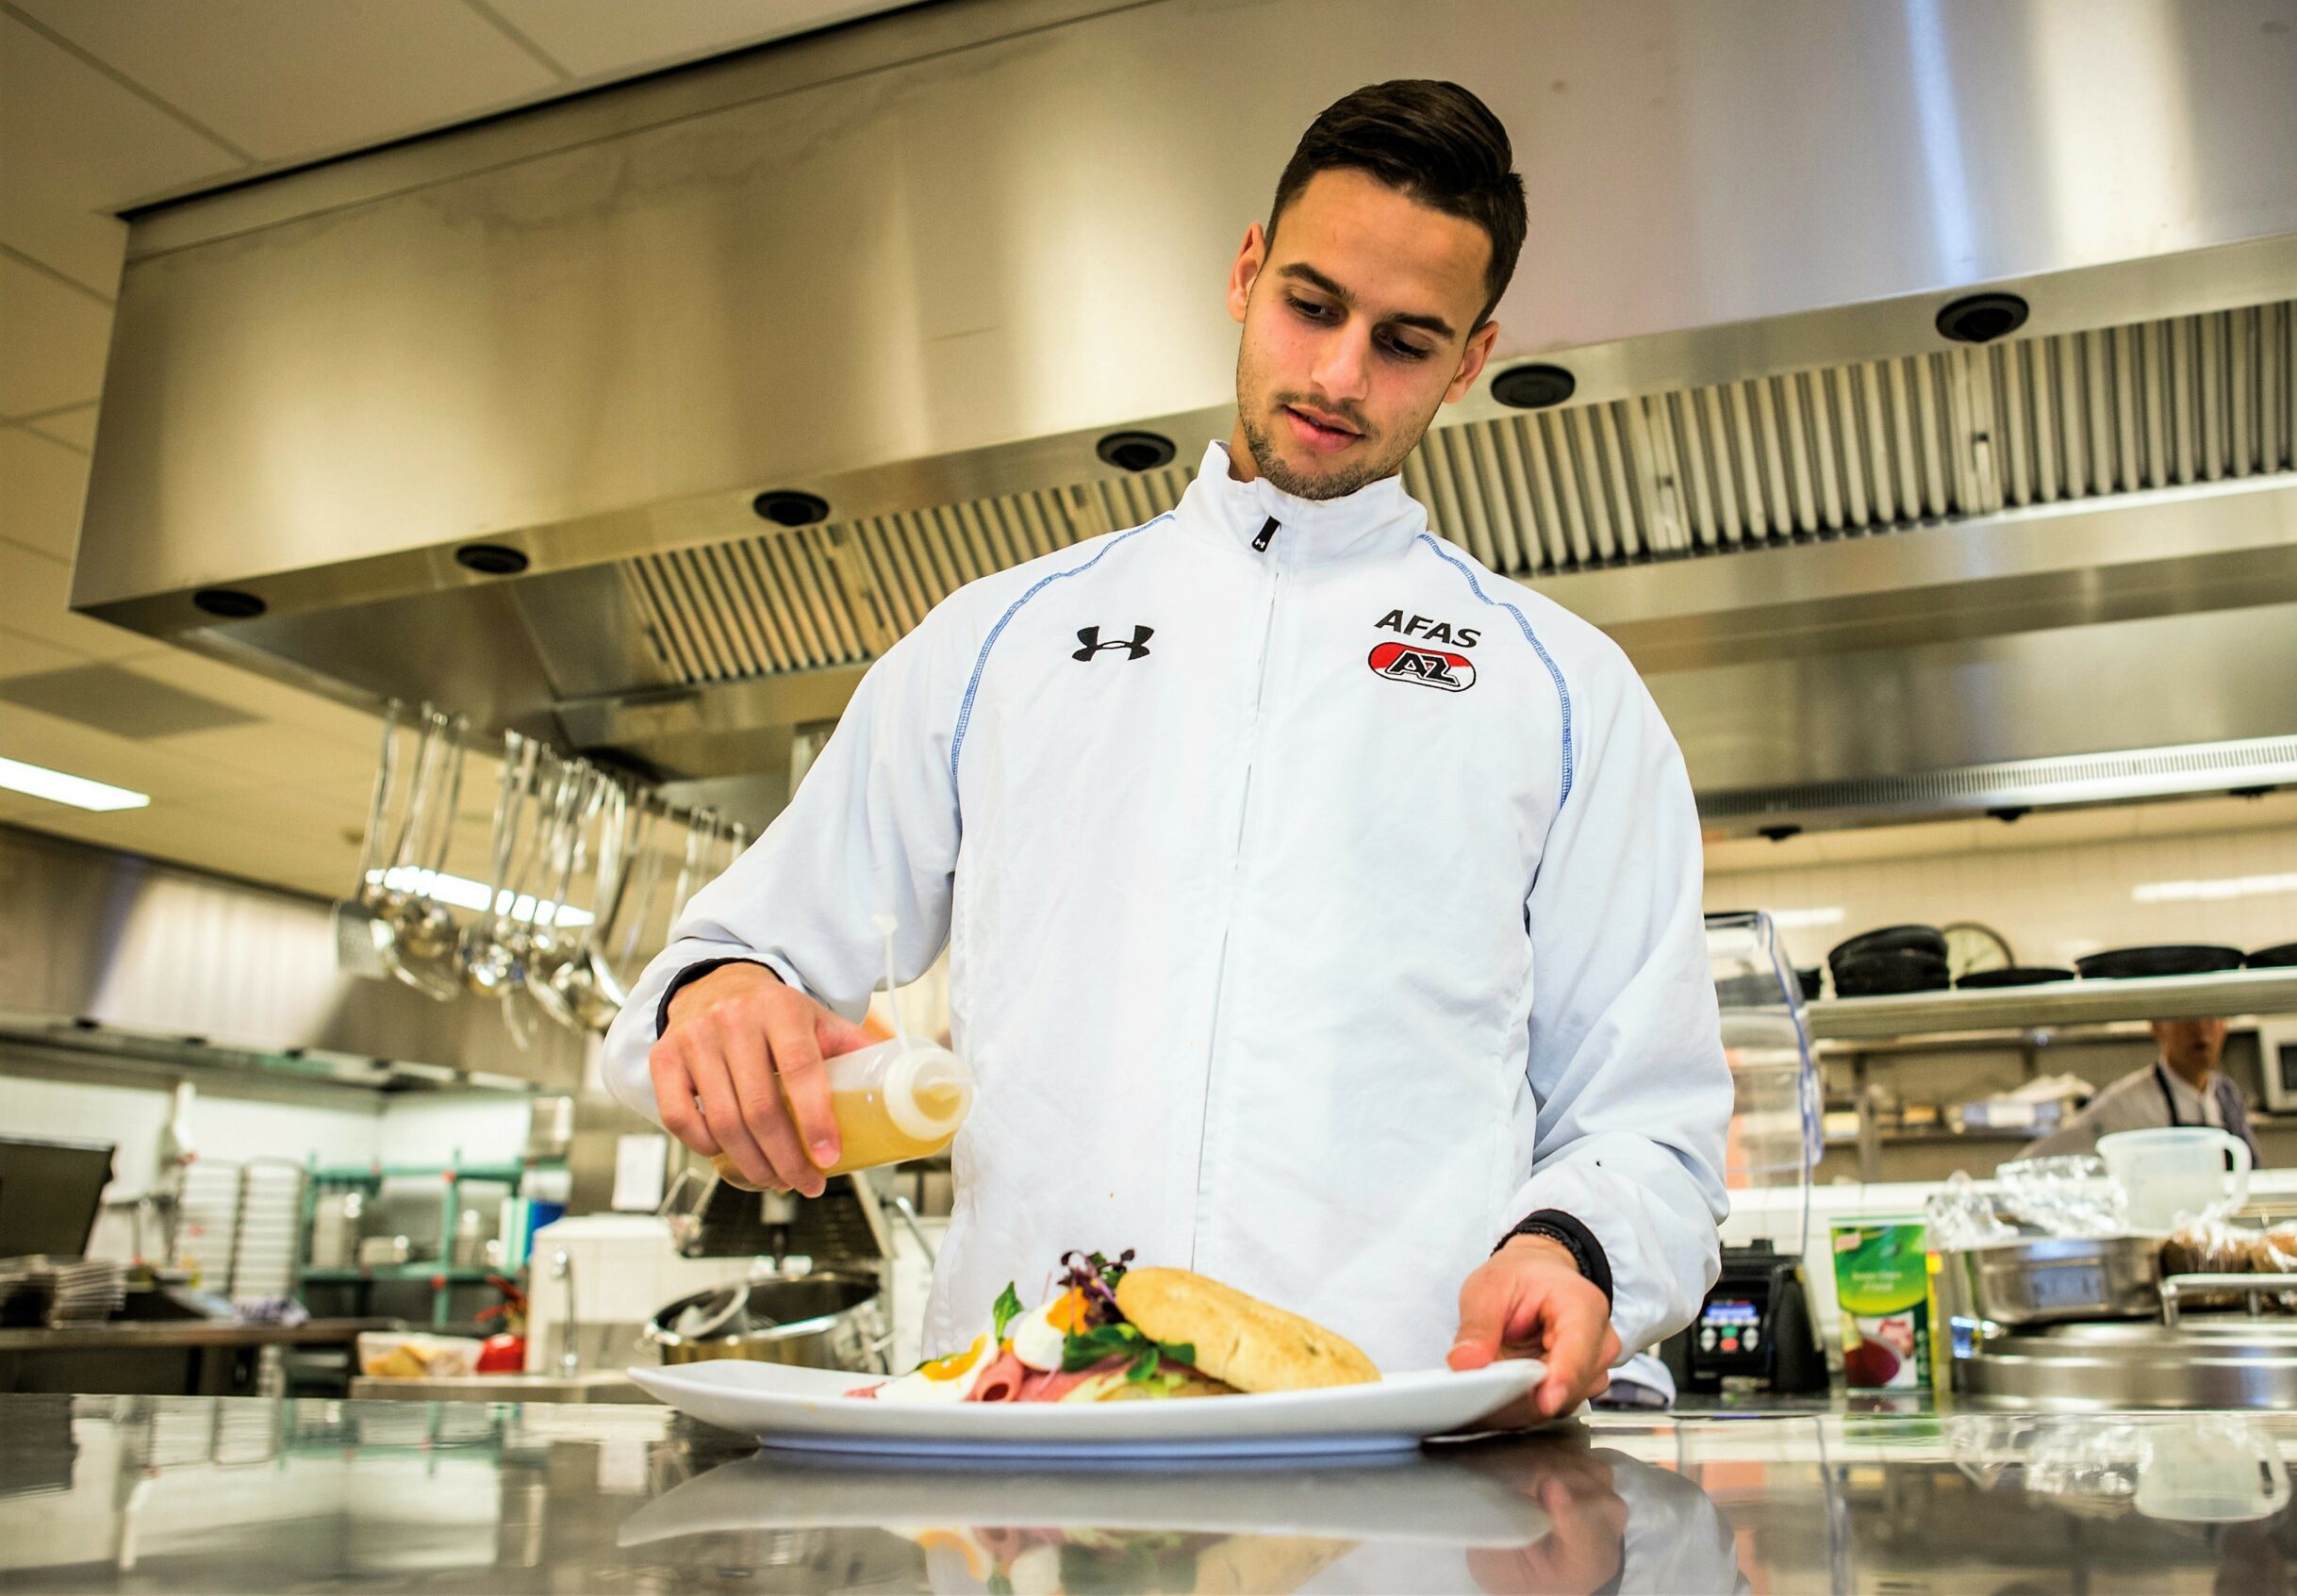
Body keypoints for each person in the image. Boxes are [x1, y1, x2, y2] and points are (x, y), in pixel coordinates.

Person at [603, 79, 1732, 1425]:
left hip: (1407, 1459)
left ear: (1473, 357)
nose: (1337, 375)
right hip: (1026, 1451)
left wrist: (1572, 1246)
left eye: (1405, 342)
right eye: (1311, 306)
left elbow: (1651, 1122)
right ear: (1247, 272)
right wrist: (719, 1000)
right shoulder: (1002, 642)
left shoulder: (1562, 693)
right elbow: (725, 959)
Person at [2020, 1017, 2261, 1162]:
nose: (2200, 1030)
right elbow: (2037, 1159)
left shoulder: (2226, 1095)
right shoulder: (2125, 1103)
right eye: (2185, 1017)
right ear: (2157, 1028)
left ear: (2225, 1027)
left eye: (2211, 1017)